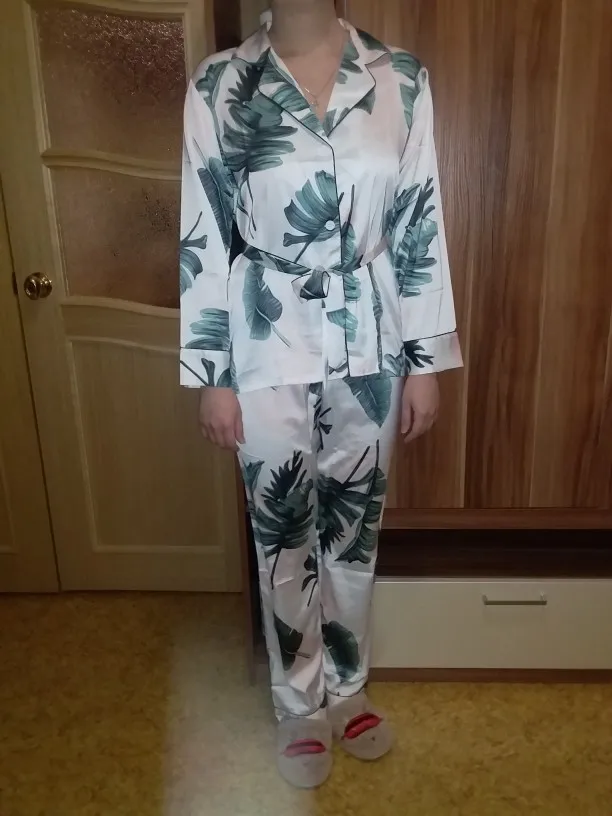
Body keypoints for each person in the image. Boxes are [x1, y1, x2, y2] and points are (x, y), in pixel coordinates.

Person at [179, 0, 462, 788]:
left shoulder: (400, 78)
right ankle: (298, 703)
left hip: (371, 333)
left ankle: (348, 687)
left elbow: (418, 221)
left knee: (354, 524)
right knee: (283, 530)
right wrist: (212, 375)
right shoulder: (219, 85)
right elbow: (203, 230)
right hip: (261, 333)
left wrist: (425, 360)